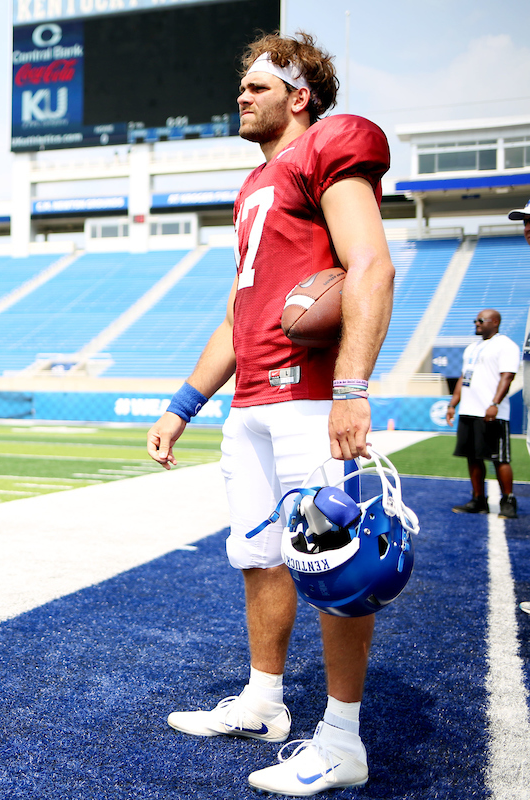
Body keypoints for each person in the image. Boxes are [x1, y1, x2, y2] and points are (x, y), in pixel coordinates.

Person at [147, 31, 394, 796]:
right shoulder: (254, 185)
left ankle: (343, 740)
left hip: (311, 399)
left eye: (257, 86)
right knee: (257, 556)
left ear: (300, 96)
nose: (241, 95)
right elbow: (239, 312)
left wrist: (350, 388)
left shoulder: (329, 147)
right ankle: (263, 704)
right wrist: (184, 405)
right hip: (252, 399)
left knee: (336, 565)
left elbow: (371, 264)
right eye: (242, 86)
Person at [445, 308, 520, 518]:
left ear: (495, 322)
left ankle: (508, 501)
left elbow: (507, 376)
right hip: (469, 411)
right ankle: (478, 499)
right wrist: (452, 404)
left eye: (481, 320)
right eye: (475, 320)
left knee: (500, 459)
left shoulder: (506, 345)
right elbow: (464, 377)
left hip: (492, 413)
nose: (476, 323)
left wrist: (494, 403)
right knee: (473, 457)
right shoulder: (472, 348)